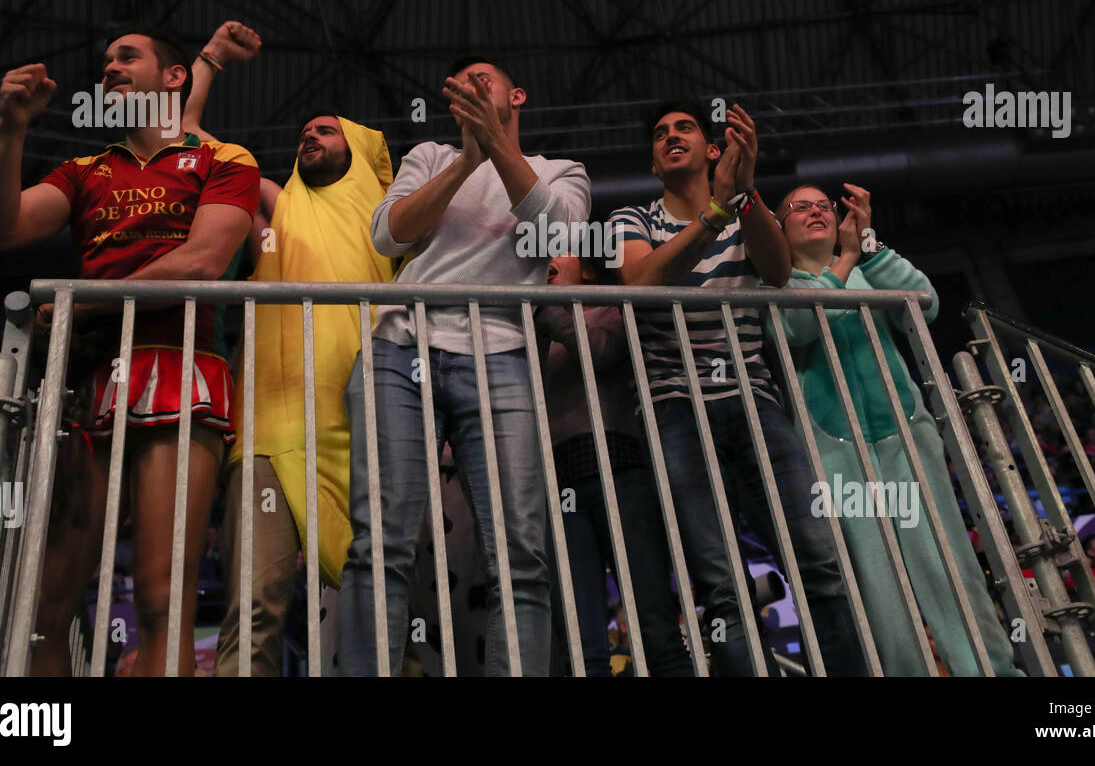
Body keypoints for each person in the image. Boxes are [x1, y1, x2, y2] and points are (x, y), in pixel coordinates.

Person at [0, 22, 260, 675]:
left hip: (179, 366)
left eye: (127, 56)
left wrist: (81, 303)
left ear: (174, 77)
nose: (110, 68)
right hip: (82, 383)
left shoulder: (226, 160)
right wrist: (11, 127)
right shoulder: (83, 171)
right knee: (46, 603)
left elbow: (203, 264)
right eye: (104, 61)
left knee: (161, 597)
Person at [339, 56, 590, 676]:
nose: (475, 86)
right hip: (402, 348)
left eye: (487, 79)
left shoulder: (563, 171)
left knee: (520, 553)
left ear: (518, 95)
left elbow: (555, 237)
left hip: (501, 353)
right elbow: (388, 234)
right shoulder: (428, 154)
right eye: (464, 83)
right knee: (381, 544)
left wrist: (497, 149)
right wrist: (467, 160)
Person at [608, 100, 864, 676]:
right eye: (660, 134)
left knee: (820, 563)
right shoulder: (632, 219)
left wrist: (743, 196)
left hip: (755, 400)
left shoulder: (747, 210)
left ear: (715, 149)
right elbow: (642, 284)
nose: (671, 137)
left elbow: (776, 271)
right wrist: (717, 211)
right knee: (721, 582)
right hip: (673, 406)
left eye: (685, 129)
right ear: (654, 162)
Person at [181, 23, 398, 676]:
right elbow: (187, 137)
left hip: (373, 430)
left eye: (326, 131)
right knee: (255, 609)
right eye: (305, 132)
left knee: (384, 610)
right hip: (272, 435)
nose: (310, 136)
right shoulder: (274, 211)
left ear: (361, 150)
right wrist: (211, 60)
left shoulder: (396, 218)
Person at [775, 182, 1023, 676]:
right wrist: (843, 261)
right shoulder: (775, 286)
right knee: (876, 580)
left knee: (948, 564)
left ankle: (990, 672)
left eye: (824, 204)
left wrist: (866, 244)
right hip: (834, 453)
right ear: (779, 230)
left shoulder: (866, 272)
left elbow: (926, 302)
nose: (816, 211)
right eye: (799, 207)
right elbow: (798, 328)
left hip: (906, 438)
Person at [536, 253, 692, 676]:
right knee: (582, 640)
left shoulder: (612, 307)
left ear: (587, 268)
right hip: (558, 481)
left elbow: (600, 351)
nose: (544, 259)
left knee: (655, 627)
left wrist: (539, 303)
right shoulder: (535, 329)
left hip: (621, 469)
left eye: (557, 251)